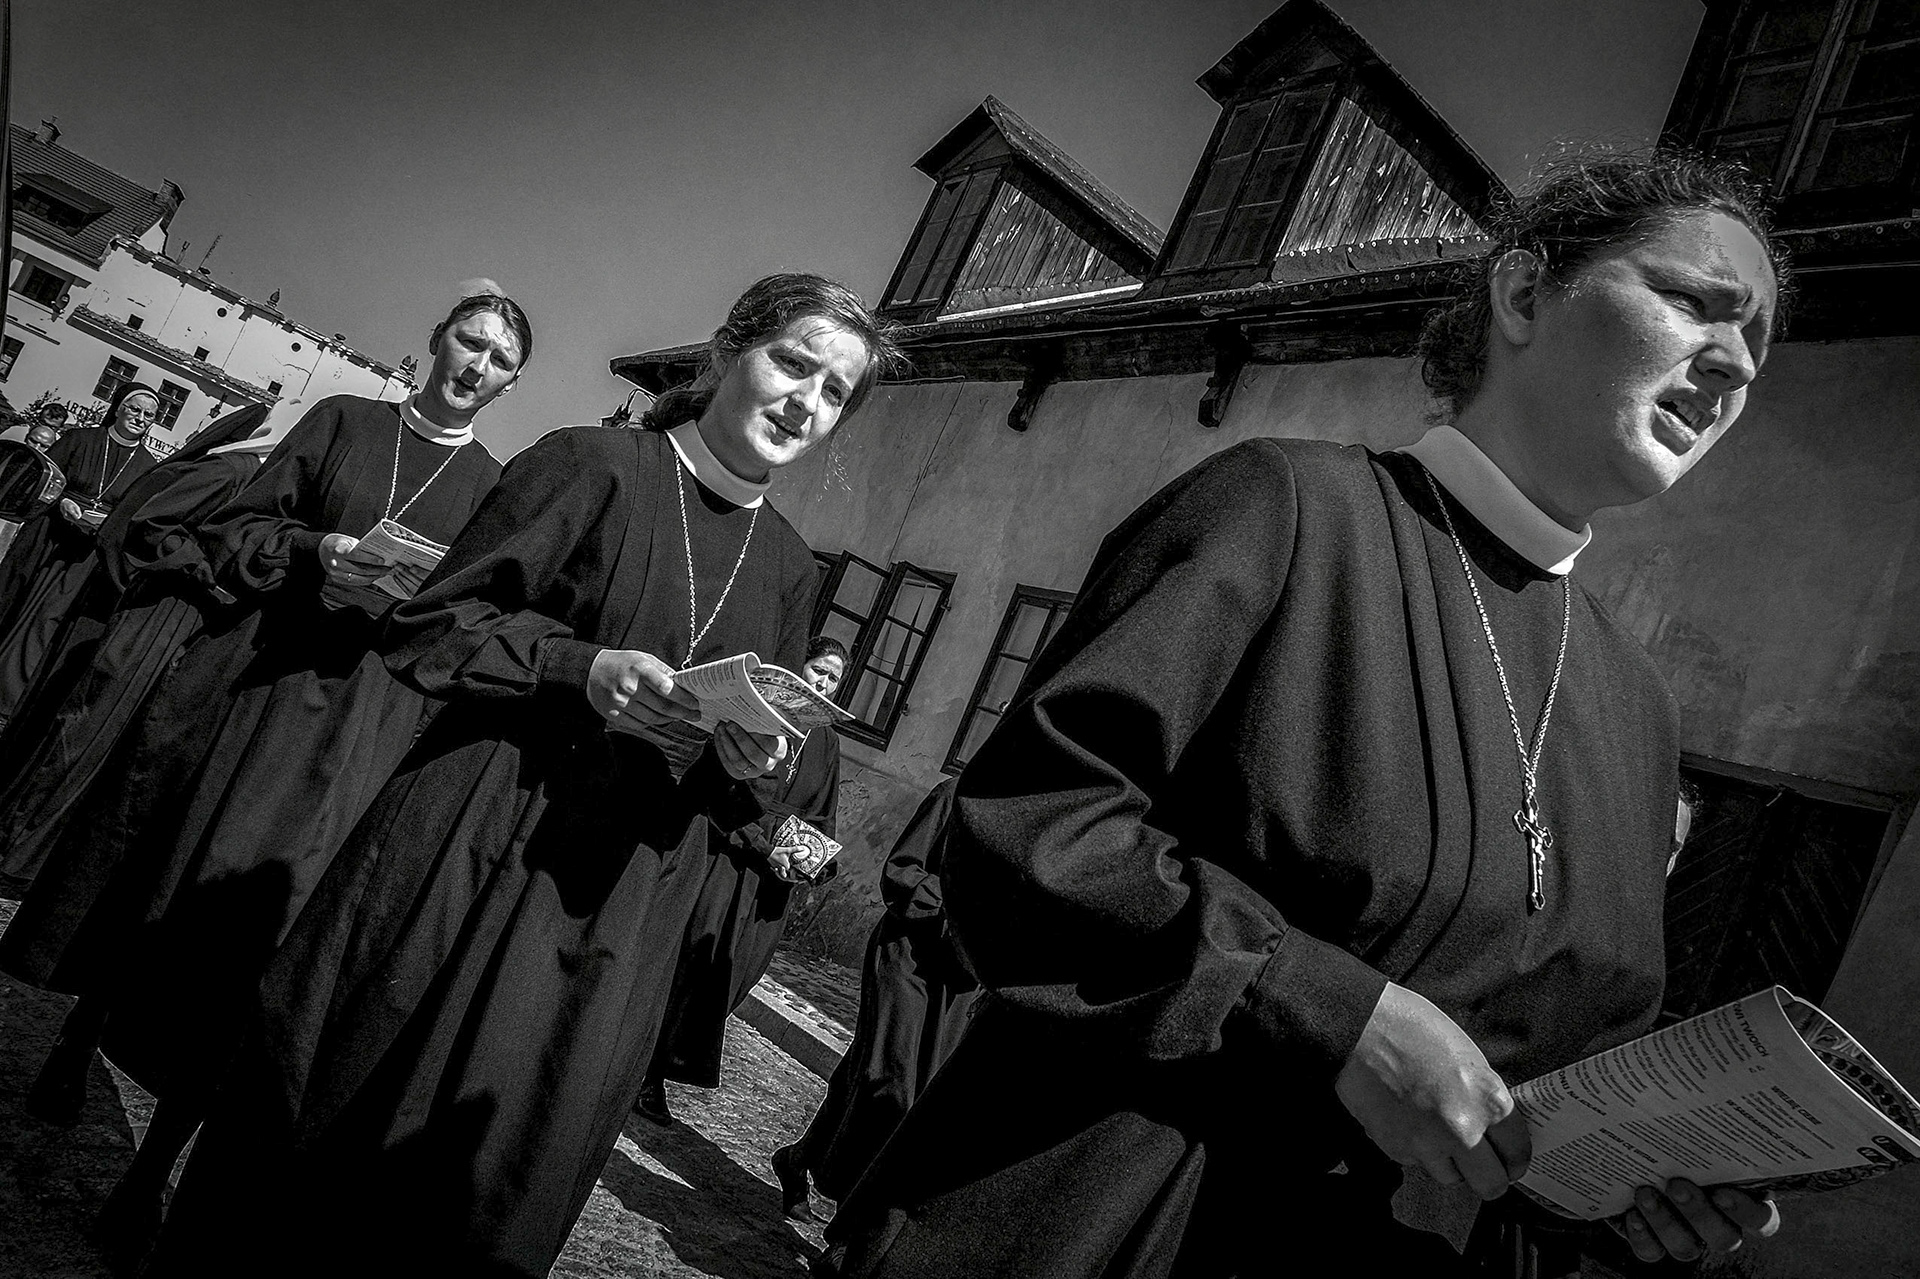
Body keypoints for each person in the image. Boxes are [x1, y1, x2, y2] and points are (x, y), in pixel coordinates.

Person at [820, 152, 1788, 1279]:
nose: (1733, 364)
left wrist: (1623, 1190)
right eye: (1694, 301)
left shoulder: (1639, 711)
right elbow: (1029, 828)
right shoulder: (1282, 508)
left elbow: (1549, 1077)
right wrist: (1330, 1014)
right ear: (1525, 293)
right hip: (1105, 1213)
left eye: (1759, 343)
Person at [144, 273, 901, 1278]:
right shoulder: (590, 463)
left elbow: (739, 769)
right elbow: (429, 626)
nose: (807, 400)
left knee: (486, 1182)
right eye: (793, 363)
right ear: (726, 354)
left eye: (835, 390)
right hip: (467, 848)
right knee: (330, 1127)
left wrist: (750, 761)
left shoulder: (793, 569)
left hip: (612, 911)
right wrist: (577, 667)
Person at [0, 296, 520, 1262]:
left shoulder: (494, 486)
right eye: (469, 340)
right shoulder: (344, 421)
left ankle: (153, 1170)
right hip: (254, 683)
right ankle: (83, 1029)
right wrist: (319, 551)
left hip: (357, 730)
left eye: (499, 358)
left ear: (509, 383)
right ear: (435, 340)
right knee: (162, 869)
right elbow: (234, 529)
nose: (477, 364)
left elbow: (472, 620)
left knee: (265, 942)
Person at [0, 400, 275, 896]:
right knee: (82, 729)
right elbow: (153, 524)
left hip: (160, 614)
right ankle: (16, 851)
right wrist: (204, 573)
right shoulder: (231, 469)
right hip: (151, 611)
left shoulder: (250, 477)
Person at [636, 633, 848, 1125]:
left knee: (731, 978)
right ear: (799, 666)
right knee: (686, 966)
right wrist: (762, 844)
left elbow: (823, 813)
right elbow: (719, 785)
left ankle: (660, 1064)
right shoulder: (757, 714)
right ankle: (645, 1071)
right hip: (726, 860)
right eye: (818, 669)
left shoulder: (827, 742)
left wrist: (814, 860)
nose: (823, 682)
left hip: (770, 887)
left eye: (834, 679)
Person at [771, 776, 980, 1224]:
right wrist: (960, 912)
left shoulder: (1044, 826)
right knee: (893, 1085)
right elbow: (901, 872)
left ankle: (798, 1158)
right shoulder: (956, 794)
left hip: (965, 980)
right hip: (911, 956)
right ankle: (857, 1215)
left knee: (886, 1076)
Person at [0, 384, 163, 729]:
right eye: (135, 410)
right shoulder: (80, 439)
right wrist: (61, 501)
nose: (140, 418)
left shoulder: (149, 467)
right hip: (48, 537)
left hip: (88, 554)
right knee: (16, 599)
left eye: (149, 415)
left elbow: (135, 514)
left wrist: (109, 522)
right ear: (118, 408)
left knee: (48, 618)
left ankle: (11, 698)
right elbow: (40, 478)